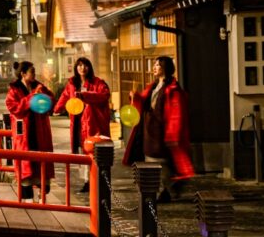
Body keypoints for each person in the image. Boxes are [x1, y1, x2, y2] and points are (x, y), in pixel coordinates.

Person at [122, 56, 194, 203]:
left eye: (157, 65)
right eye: (154, 65)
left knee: (161, 161)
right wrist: (135, 97)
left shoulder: (172, 89)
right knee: (152, 160)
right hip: (150, 130)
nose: (154, 67)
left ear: (165, 68)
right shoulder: (153, 86)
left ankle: (167, 189)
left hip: (162, 130)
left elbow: (176, 113)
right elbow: (143, 102)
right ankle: (163, 190)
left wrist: (173, 132)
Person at [54, 57, 111, 194]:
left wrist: (85, 96)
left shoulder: (98, 82)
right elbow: (65, 96)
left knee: (92, 151)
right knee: (81, 152)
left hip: (93, 123)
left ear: (90, 67)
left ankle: (93, 181)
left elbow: (104, 95)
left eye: (85, 65)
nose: (82, 68)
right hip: (78, 122)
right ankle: (87, 180)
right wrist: (56, 108)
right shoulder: (72, 83)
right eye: (79, 65)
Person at [5, 61, 55, 201]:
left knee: (41, 163)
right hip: (24, 132)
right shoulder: (14, 90)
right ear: (23, 74)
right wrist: (31, 98)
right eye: (32, 71)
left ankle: (40, 198)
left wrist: (43, 97)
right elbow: (14, 108)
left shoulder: (39, 87)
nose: (34, 73)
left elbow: (51, 99)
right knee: (25, 165)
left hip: (40, 130)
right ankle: (28, 201)